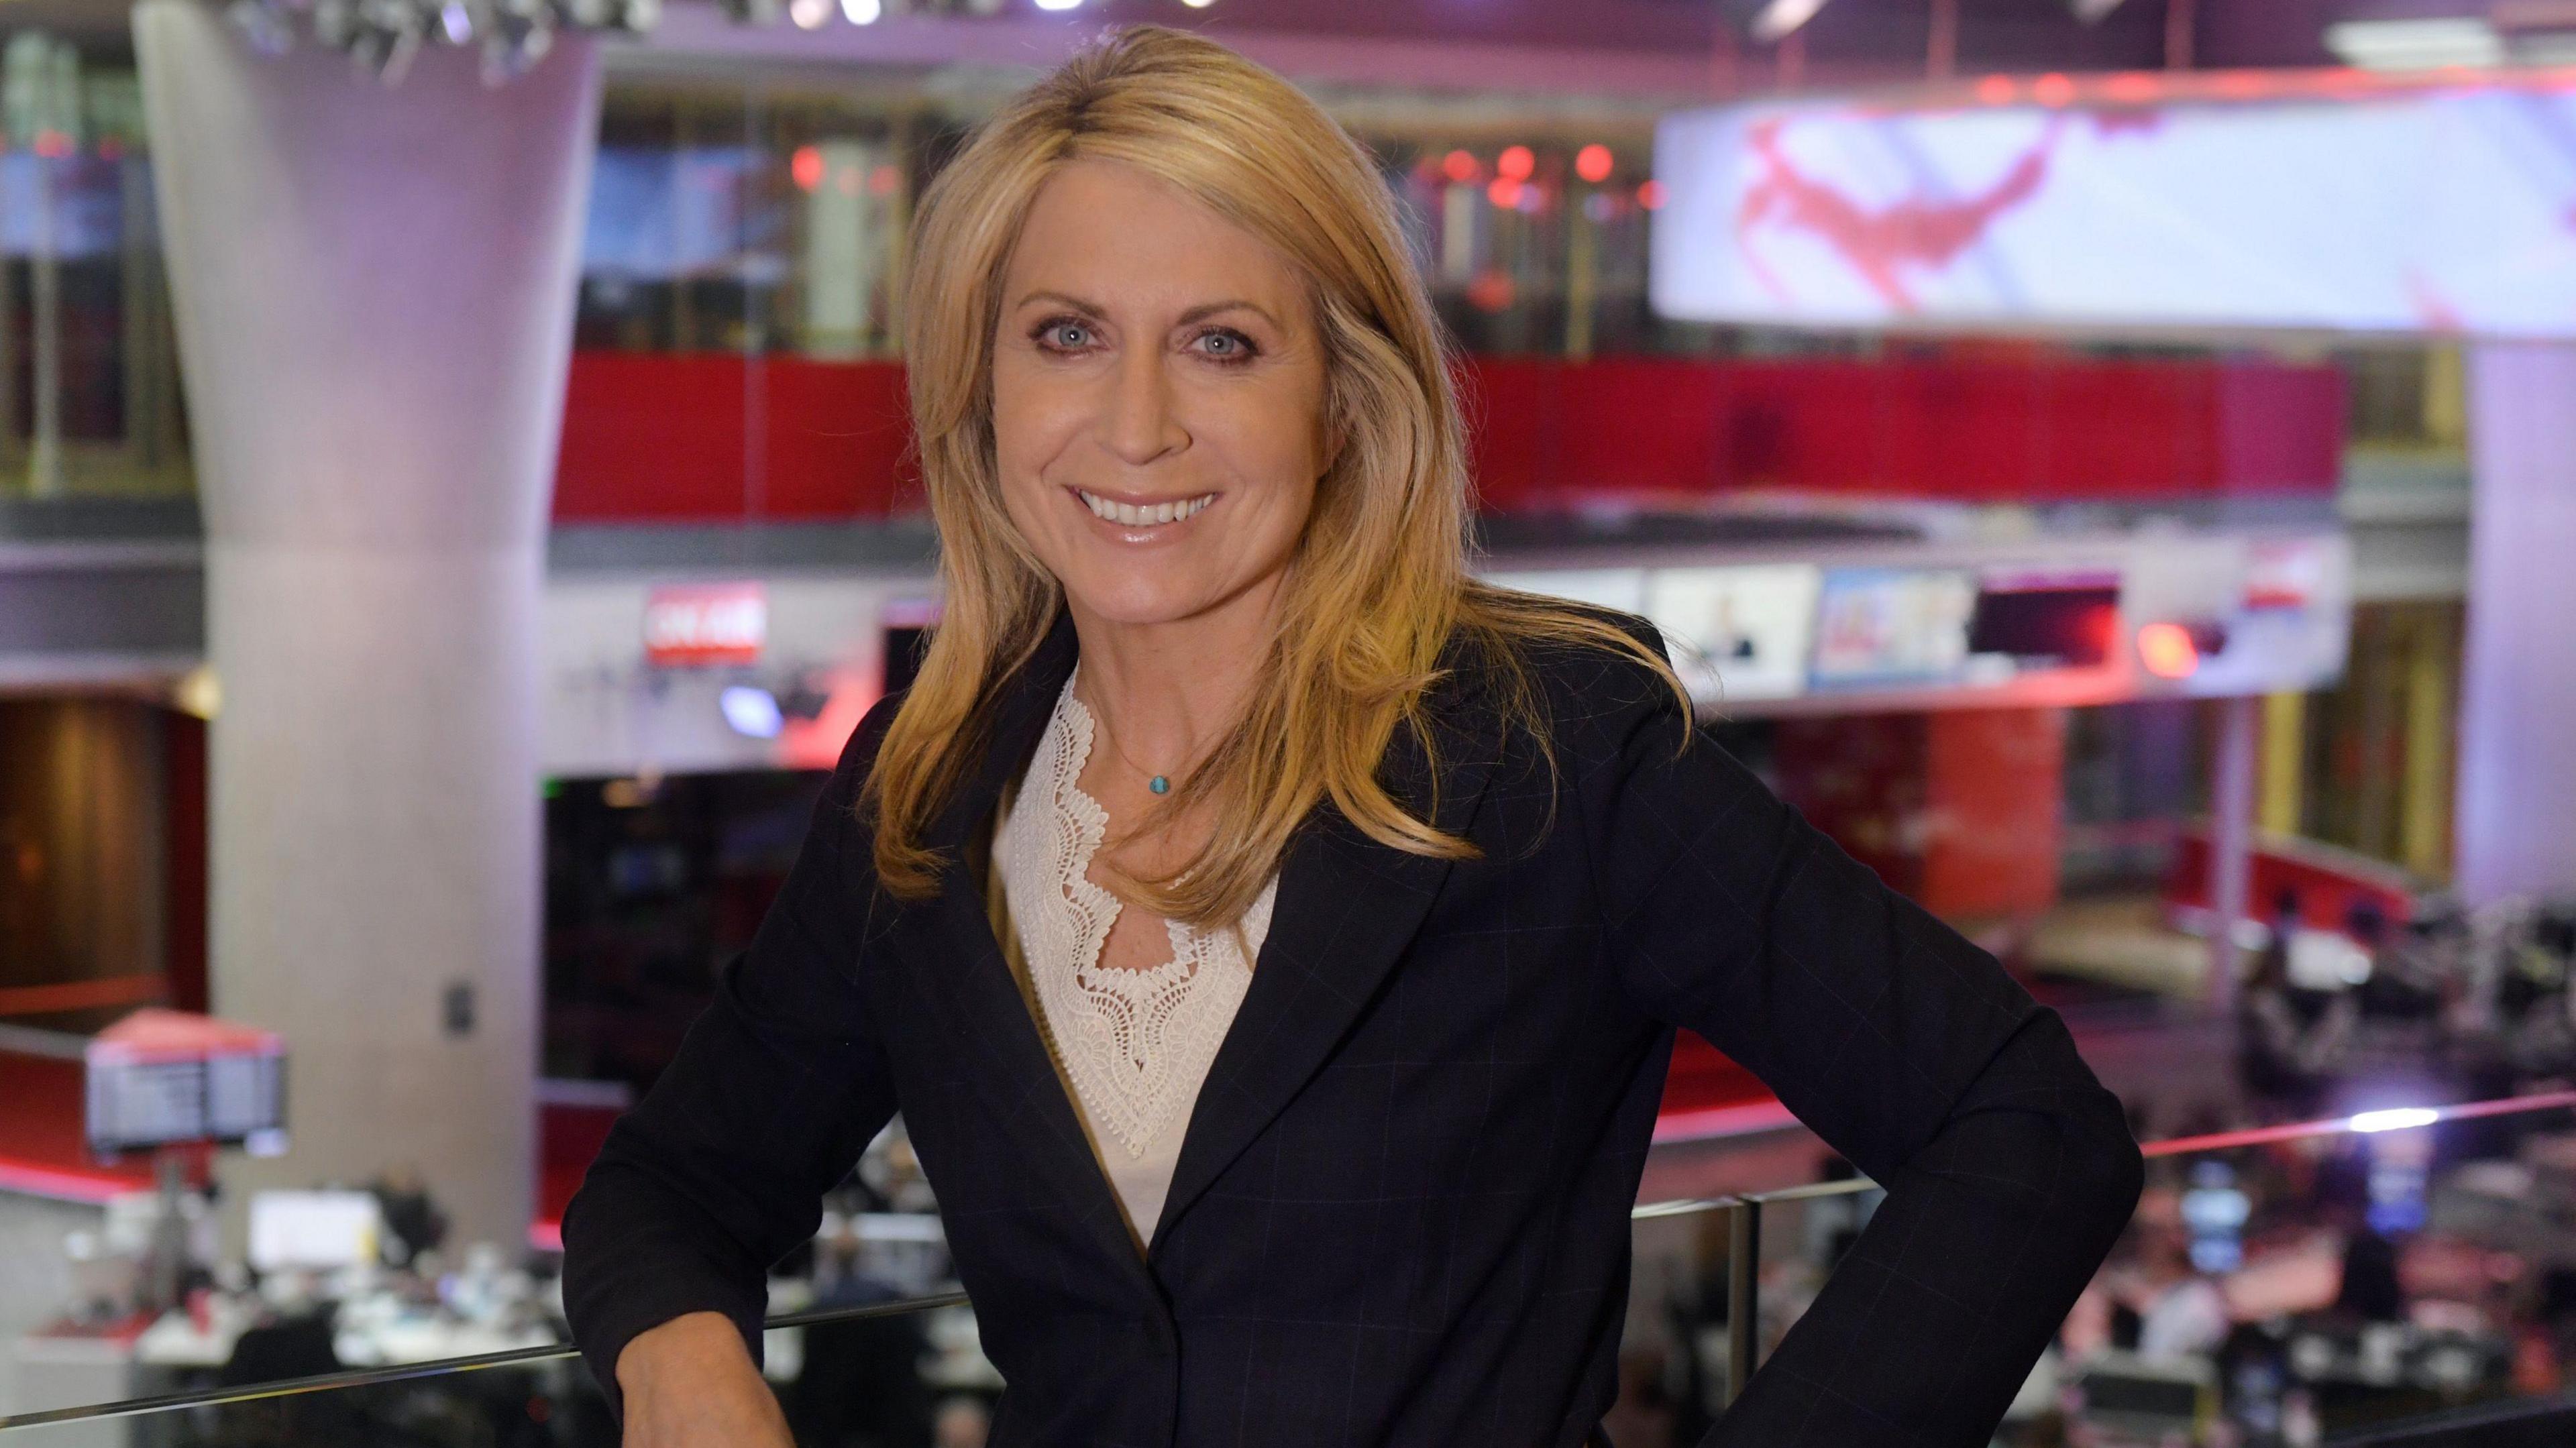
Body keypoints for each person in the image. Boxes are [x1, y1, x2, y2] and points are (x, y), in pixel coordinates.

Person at [559, 25, 2143, 1448]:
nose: (1135, 426)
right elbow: (668, 1192)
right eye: (1065, 334)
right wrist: (683, 1356)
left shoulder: (1553, 753)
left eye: (1222, 343)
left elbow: (2024, 1128)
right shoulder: (929, 788)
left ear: (1344, 396)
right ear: (979, 384)